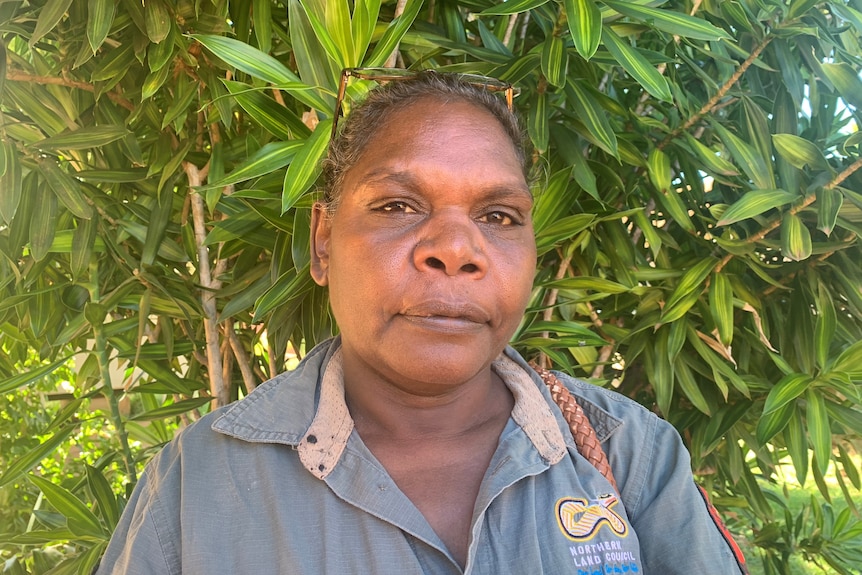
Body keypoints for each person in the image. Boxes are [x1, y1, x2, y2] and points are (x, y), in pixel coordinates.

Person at [96, 70, 748, 574]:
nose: (457, 248)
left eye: (498, 216)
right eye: (399, 204)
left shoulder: (630, 458)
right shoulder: (201, 484)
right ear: (323, 242)